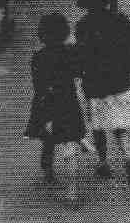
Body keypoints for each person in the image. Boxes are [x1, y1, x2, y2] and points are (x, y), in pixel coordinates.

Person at [74, 0, 130, 186]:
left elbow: (81, 55)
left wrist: (79, 73)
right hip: (118, 81)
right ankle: (129, 157)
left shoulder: (82, 26)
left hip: (95, 85)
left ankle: (103, 162)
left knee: (98, 127)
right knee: (119, 126)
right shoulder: (119, 20)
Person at [24, 13, 86, 202]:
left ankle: (48, 167)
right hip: (68, 103)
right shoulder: (70, 54)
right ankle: (72, 189)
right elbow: (79, 72)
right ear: (65, 33)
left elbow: (38, 84)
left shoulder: (38, 58)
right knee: (70, 144)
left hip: (46, 104)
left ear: (42, 35)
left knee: (48, 138)